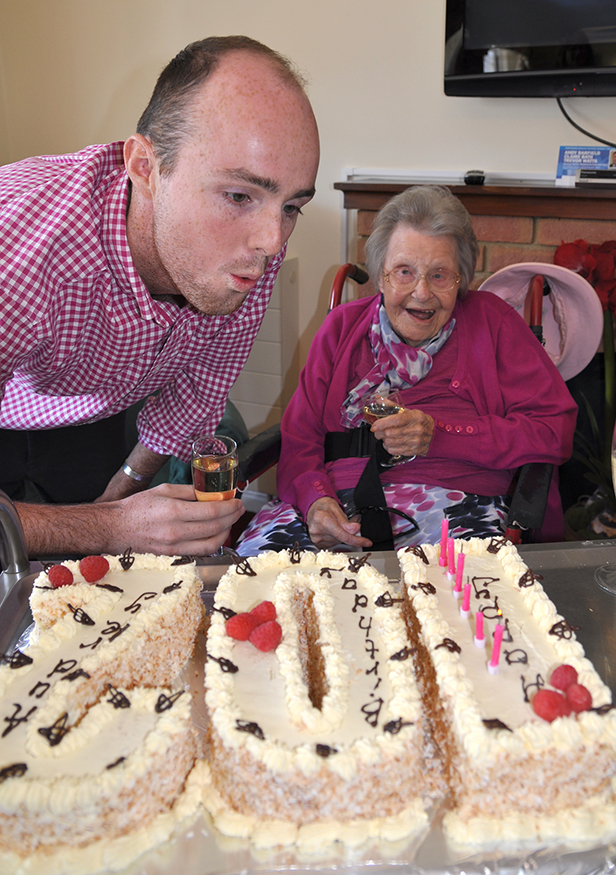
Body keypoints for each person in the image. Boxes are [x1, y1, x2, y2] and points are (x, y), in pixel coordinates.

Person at [0, 35, 320, 558]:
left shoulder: (253, 250)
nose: (271, 243)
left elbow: (194, 393)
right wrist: (105, 528)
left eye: (291, 206)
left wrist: (115, 508)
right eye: (239, 195)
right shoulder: (22, 250)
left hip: (87, 405)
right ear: (145, 167)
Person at [237, 185, 577, 554]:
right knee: (252, 583)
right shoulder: (341, 328)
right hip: (338, 506)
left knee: (459, 601)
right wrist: (316, 501)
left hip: (460, 502)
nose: (421, 292)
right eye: (404, 272)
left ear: (461, 279)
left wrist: (442, 435)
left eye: (440, 275)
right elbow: (301, 438)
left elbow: (552, 430)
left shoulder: (493, 322)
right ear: (380, 276)